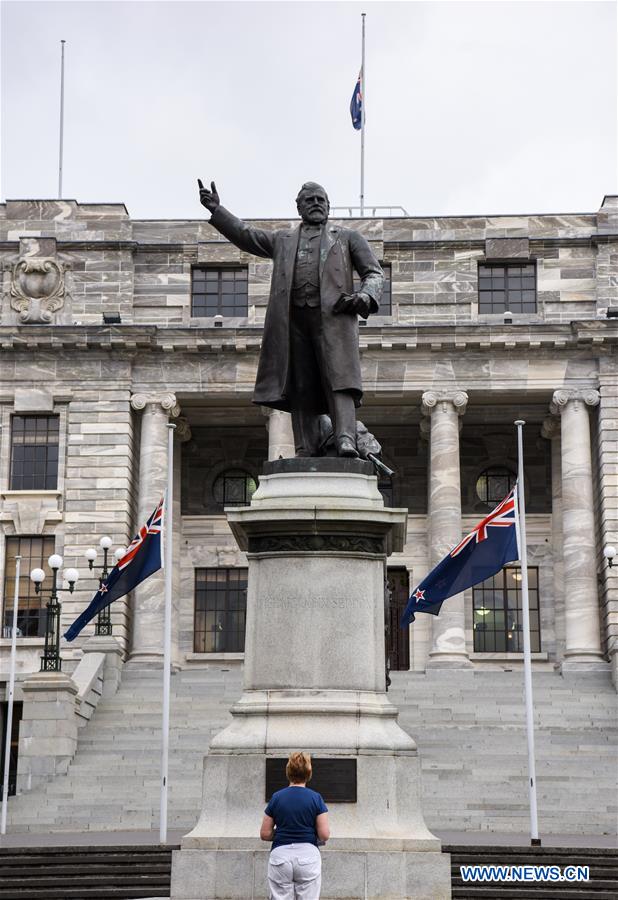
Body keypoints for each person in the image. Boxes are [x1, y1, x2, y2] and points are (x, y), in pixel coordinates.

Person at [198, 179, 384, 458]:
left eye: (321, 200)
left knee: (340, 380)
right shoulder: (283, 240)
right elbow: (246, 235)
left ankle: (346, 439)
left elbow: (374, 273)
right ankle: (305, 447)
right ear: (299, 208)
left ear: (329, 206)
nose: (316, 204)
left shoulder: (347, 238)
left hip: (333, 320)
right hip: (293, 322)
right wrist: (218, 210)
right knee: (301, 384)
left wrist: (366, 297)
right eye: (310, 200)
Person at [260, 751, 330, 899]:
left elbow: (265, 833)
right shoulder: (315, 798)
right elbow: (324, 834)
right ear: (308, 773)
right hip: (308, 856)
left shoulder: (277, 797)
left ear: (288, 771)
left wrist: (281, 833)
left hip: (280, 856)